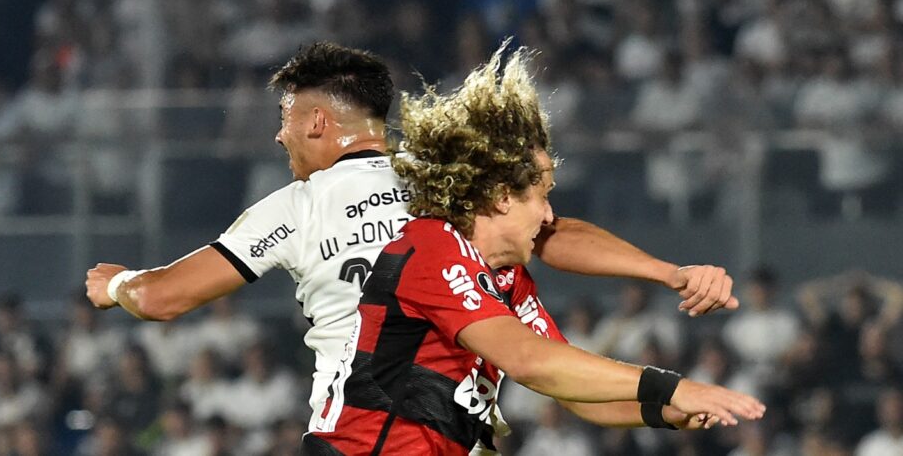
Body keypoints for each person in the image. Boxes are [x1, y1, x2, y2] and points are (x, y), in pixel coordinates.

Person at [85, 42, 739, 434]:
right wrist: (666, 274)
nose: (278, 136)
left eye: (284, 120)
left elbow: (163, 298)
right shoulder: (449, 189)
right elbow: (552, 235)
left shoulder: (295, 208)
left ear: (317, 121)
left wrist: (114, 285)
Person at [304, 45, 764, 454]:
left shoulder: (506, 279)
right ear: (502, 196)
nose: (548, 214)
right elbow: (531, 363)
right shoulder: (431, 247)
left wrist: (664, 411)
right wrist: (673, 386)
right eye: (542, 195)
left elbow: (572, 390)